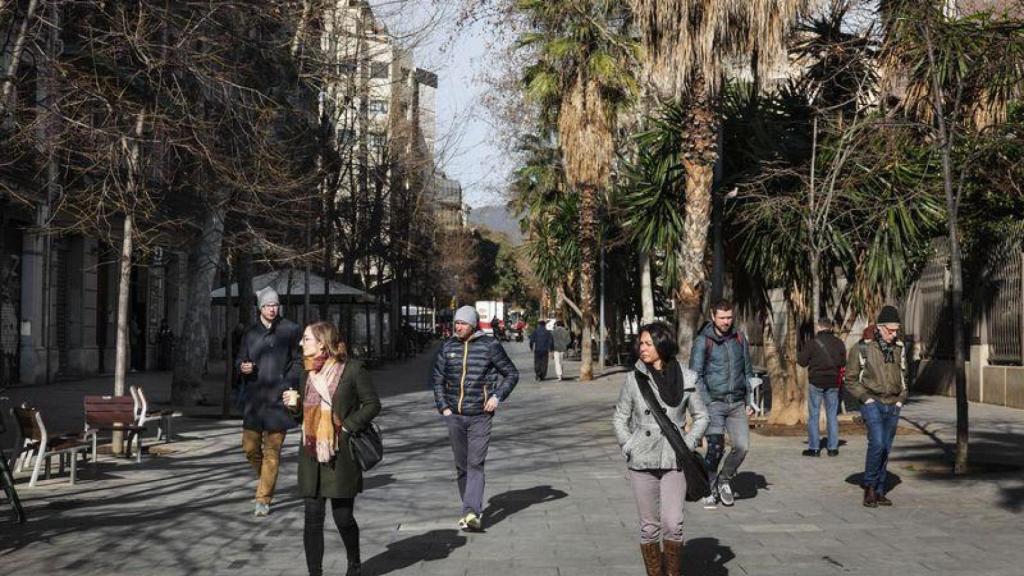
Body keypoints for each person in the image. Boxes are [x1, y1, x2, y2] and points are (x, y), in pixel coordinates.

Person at [284, 321, 380, 576]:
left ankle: (354, 564)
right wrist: (293, 407)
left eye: (306, 339)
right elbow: (302, 419)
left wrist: (348, 427)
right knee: (312, 519)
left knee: (343, 518)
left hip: (340, 456)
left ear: (322, 343)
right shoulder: (306, 373)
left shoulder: (352, 370)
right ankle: (314, 572)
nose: (302, 343)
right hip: (311, 454)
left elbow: (372, 404)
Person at [613, 322, 709, 576]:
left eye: (648, 343)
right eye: (640, 344)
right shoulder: (634, 379)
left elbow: (702, 416)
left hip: (674, 457)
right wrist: (629, 445)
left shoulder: (687, 377)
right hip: (642, 460)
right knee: (649, 527)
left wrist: (687, 444)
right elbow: (619, 417)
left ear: (662, 345)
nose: (642, 349)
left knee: (673, 523)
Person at [430, 305, 519, 531]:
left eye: (463, 323)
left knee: (475, 463)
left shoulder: (490, 346)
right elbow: (437, 380)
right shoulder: (448, 346)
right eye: (456, 323)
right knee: (462, 466)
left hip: (481, 415)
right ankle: (469, 509)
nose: (458, 327)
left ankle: (471, 511)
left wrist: (497, 396)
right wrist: (444, 409)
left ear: (473, 325)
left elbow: (511, 373)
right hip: (455, 416)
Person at [235, 286, 302, 516]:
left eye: (275, 305)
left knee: (272, 453)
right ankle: (266, 476)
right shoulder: (251, 332)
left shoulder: (290, 330)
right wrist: (242, 367)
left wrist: (288, 383)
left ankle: (263, 499)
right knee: (250, 448)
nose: (272, 309)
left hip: (279, 401)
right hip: (255, 401)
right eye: (267, 305)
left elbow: (298, 361)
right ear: (260, 308)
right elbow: (240, 358)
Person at [689, 299, 754, 508]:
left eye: (729, 317)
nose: (726, 322)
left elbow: (748, 371)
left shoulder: (739, 339)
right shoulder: (702, 341)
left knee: (742, 447)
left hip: (736, 404)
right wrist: (706, 402)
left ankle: (723, 480)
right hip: (714, 403)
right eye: (722, 318)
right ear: (713, 316)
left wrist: (749, 401)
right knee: (716, 448)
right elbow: (695, 375)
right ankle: (708, 486)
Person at [845, 305, 907, 508]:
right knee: (877, 443)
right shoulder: (862, 348)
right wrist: (865, 398)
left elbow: (905, 375)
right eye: (890, 330)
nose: (894, 334)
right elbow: (850, 379)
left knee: (886, 447)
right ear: (880, 328)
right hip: (872, 401)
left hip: (893, 403)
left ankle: (880, 490)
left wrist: (901, 399)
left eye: (897, 330)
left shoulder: (899, 347)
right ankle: (869, 487)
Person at [797, 317, 848, 457]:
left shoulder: (811, 343)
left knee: (814, 415)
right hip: (833, 382)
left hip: (816, 381)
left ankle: (814, 448)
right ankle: (832, 448)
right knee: (832, 414)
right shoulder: (839, 343)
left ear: (819, 327)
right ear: (831, 328)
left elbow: (802, 362)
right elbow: (843, 362)